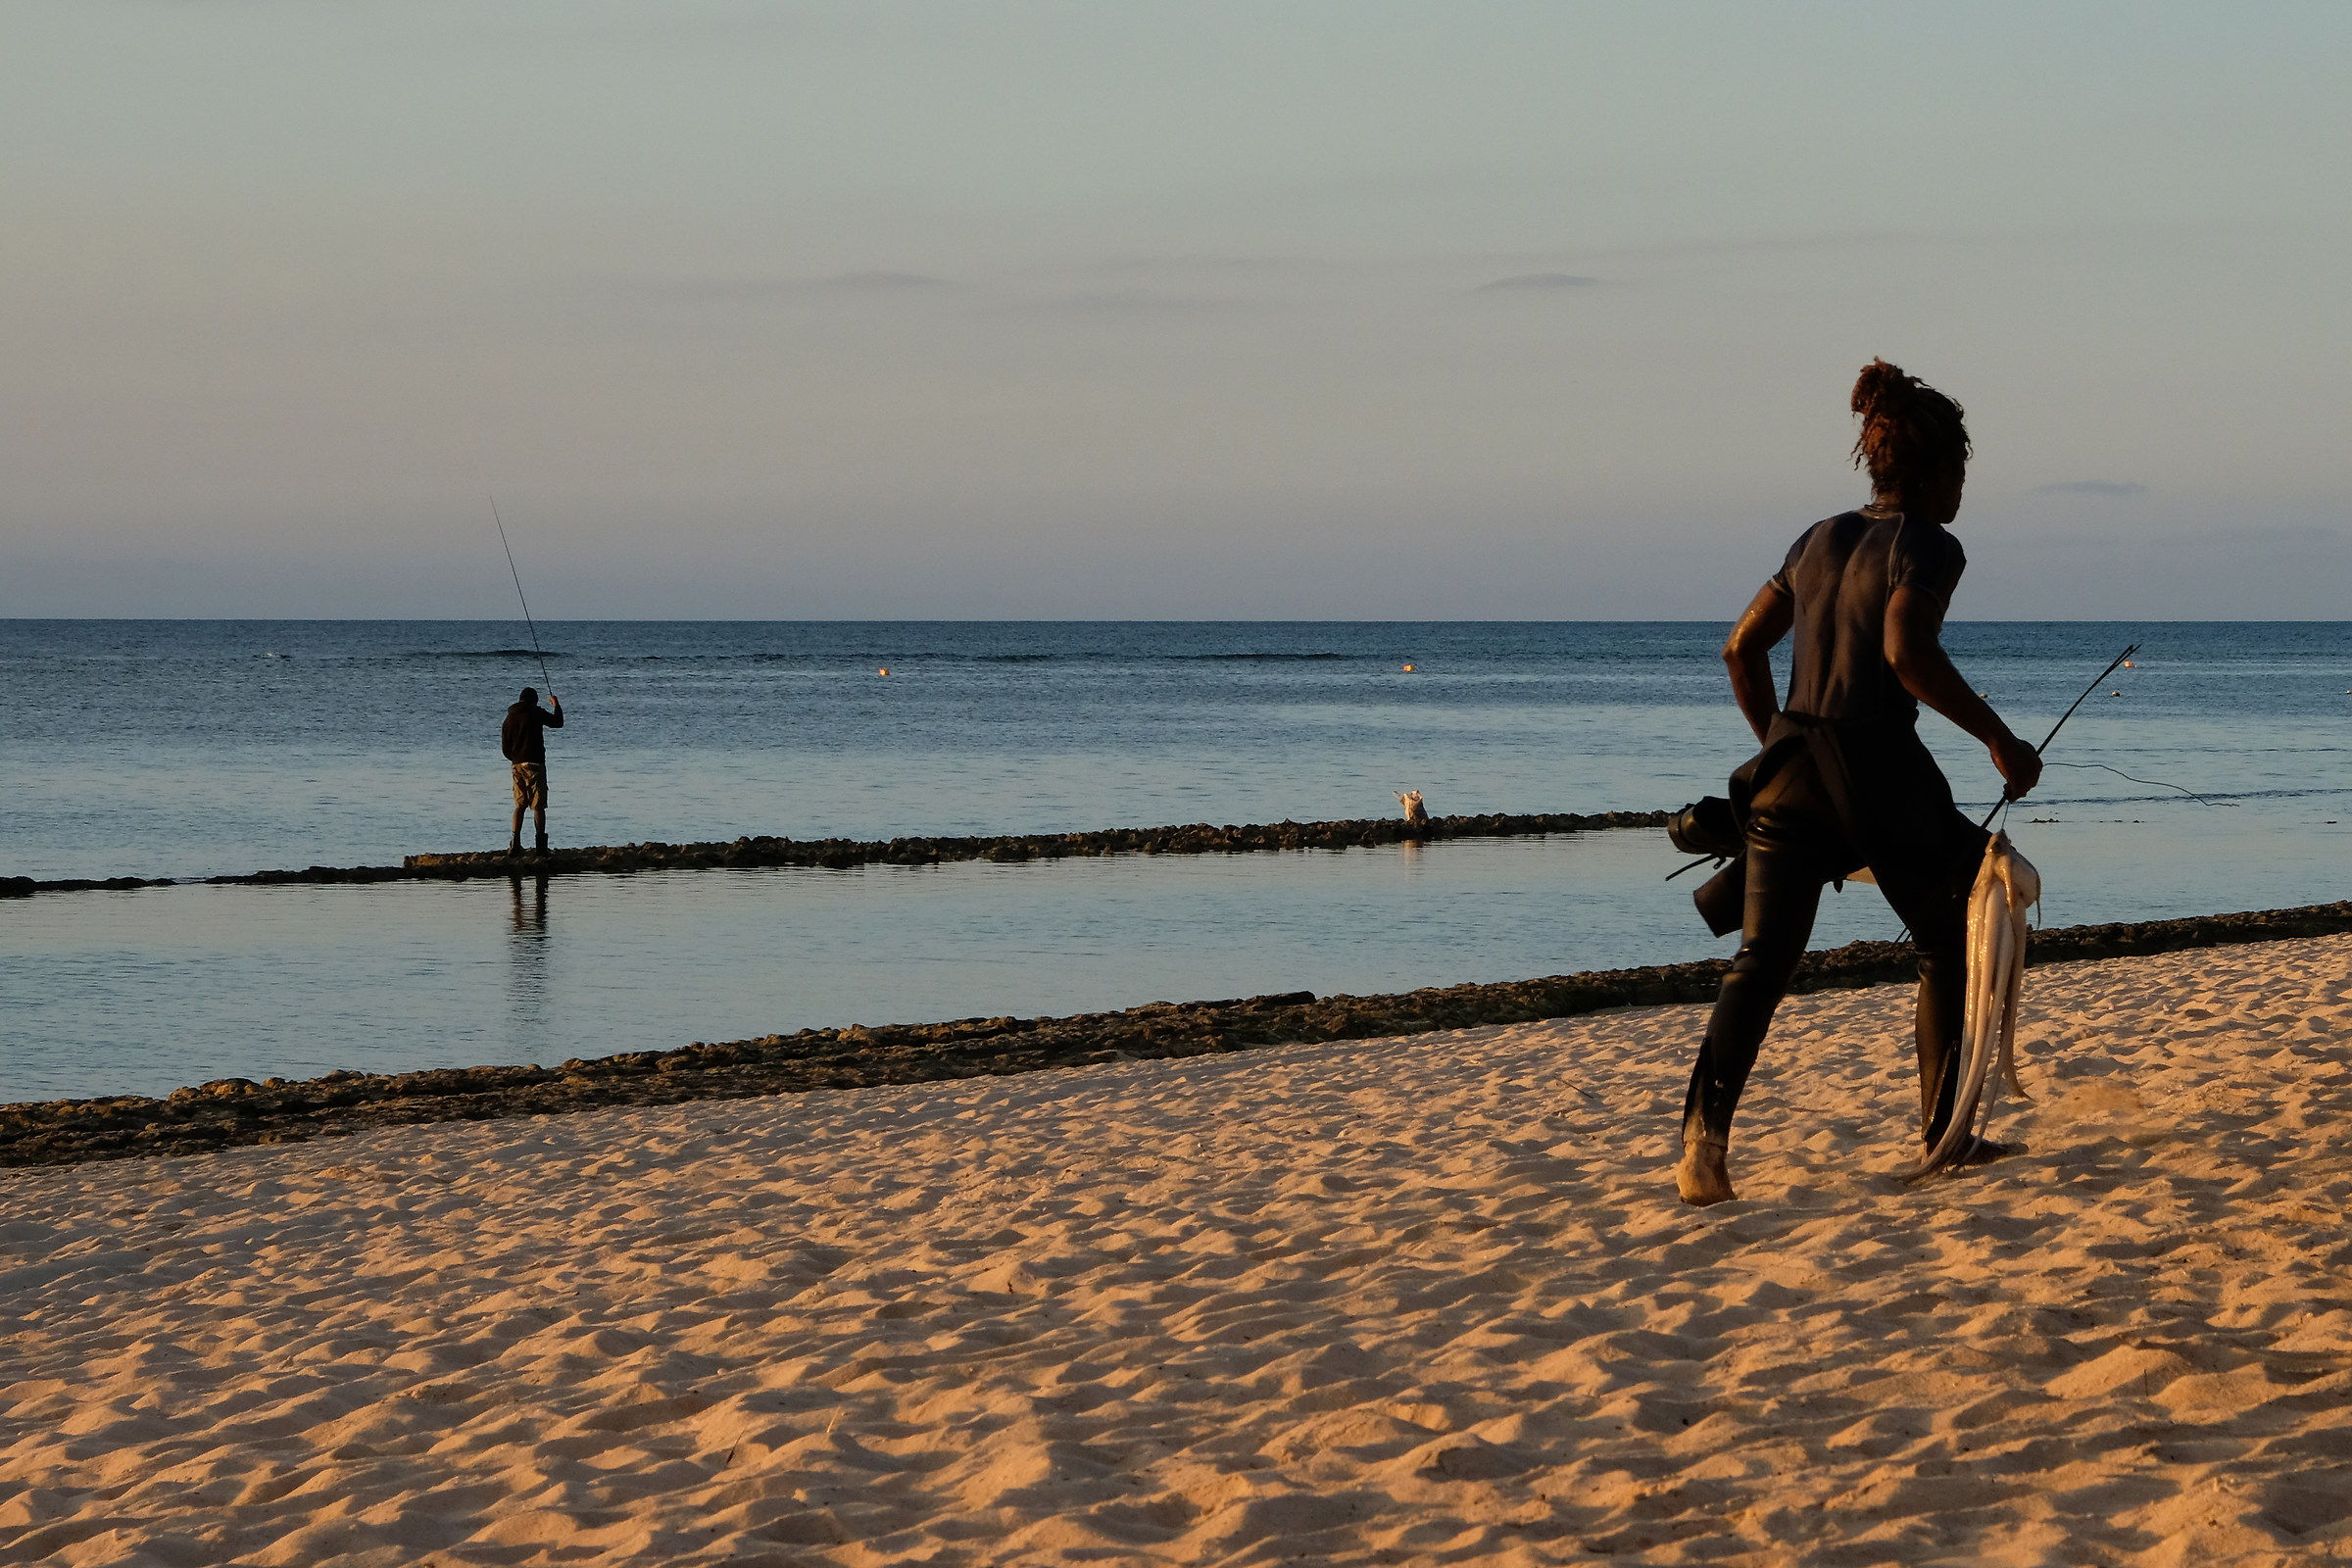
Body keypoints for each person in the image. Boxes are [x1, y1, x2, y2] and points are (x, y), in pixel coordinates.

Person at [1676, 359, 2042, 1206]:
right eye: (1960, 470)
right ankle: (1944, 1134)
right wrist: (2000, 741)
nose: (1962, 488)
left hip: (1788, 770)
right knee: (1950, 930)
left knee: (1761, 961)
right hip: (1876, 774)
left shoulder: (1815, 540)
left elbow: (1740, 649)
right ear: (1934, 469)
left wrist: (1779, 742)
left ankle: (1703, 1145)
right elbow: (1905, 653)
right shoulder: (1930, 545)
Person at [502, 686, 564, 856]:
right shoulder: (535, 712)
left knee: (519, 805)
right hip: (535, 763)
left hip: (516, 765)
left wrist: (515, 759)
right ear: (534, 701)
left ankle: (514, 845)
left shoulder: (509, 718)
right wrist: (556, 704)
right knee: (538, 805)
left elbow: (505, 748)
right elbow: (558, 723)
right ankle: (541, 848)